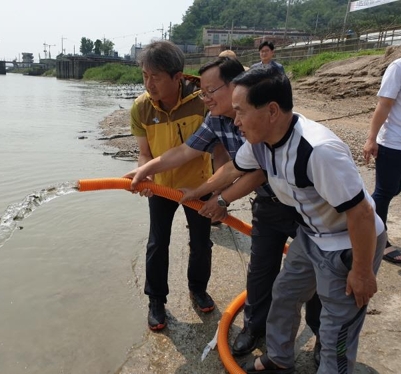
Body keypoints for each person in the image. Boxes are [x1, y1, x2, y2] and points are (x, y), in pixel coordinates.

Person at [181, 67, 386, 373]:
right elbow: (234, 170)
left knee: (336, 326)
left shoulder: (318, 151)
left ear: (272, 110)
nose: (235, 121)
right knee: (285, 293)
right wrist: (197, 193)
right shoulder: (261, 141)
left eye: (241, 112)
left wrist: (361, 270)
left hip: (347, 242)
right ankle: (279, 359)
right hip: (311, 234)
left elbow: (362, 213)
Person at [125, 56, 322, 364]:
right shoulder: (217, 118)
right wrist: (146, 169)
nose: (204, 99)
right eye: (201, 92)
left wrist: (219, 199)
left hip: (301, 206)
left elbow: (255, 169)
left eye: (209, 91)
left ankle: (323, 336)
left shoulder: (261, 117)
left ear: (235, 87)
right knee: (260, 274)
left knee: (315, 275)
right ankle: (254, 330)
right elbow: (193, 152)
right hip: (266, 205)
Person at [129, 40, 214, 331]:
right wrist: (145, 173)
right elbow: (145, 152)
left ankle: (198, 288)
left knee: (201, 242)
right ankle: (156, 300)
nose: (148, 83)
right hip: (161, 187)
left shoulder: (203, 101)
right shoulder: (140, 108)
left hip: (199, 185)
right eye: (144, 75)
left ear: (178, 77)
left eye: (155, 76)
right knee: (157, 243)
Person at [363, 53, 401, 264]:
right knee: (385, 191)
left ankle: (362, 215)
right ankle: (380, 241)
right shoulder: (399, 67)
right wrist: (371, 139)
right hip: (394, 142)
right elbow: (384, 104)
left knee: (394, 189)